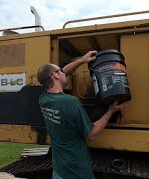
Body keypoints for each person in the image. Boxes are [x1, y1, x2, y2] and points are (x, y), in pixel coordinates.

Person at [37, 50, 128, 179]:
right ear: (55, 76)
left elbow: (63, 72)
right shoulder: (70, 102)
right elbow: (91, 134)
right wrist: (111, 110)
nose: (64, 72)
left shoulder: (44, 98)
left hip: (59, 170)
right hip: (76, 172)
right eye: (60, 71)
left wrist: (81, 61)